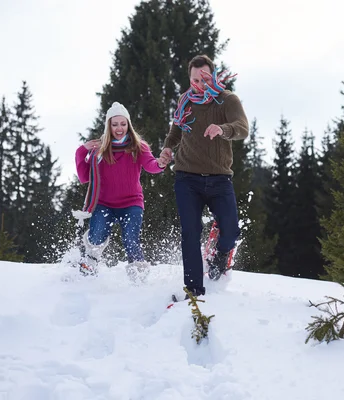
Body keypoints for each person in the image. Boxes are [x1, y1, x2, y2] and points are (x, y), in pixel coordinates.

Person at [159, 54, 249, 298]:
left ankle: (220, 254)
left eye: (205, 78)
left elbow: (242, 128)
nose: (200, 84)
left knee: (231, 230)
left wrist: (223, 129)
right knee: (190, 230)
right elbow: (176, 129)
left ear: (214, 75)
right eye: (195, 80)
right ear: (190, 79)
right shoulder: (185, 100)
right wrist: (168, 148)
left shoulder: (227, 100)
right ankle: (194, 290)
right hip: (187, 177)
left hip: (219, 178)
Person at [73, 101, 165, 281]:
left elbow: (151, 165)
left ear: (128, 124)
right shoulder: (99, 150)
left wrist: (160, 164)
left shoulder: (139, 147)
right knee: (97, 235)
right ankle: (89, 263)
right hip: (104, 203)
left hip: (131, 203)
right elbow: (84, 177)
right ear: (109, 126)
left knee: (131, 239)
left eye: (123, 124)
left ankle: (138, 272)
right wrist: (81, 151)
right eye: (115, 124)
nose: (119, 128)